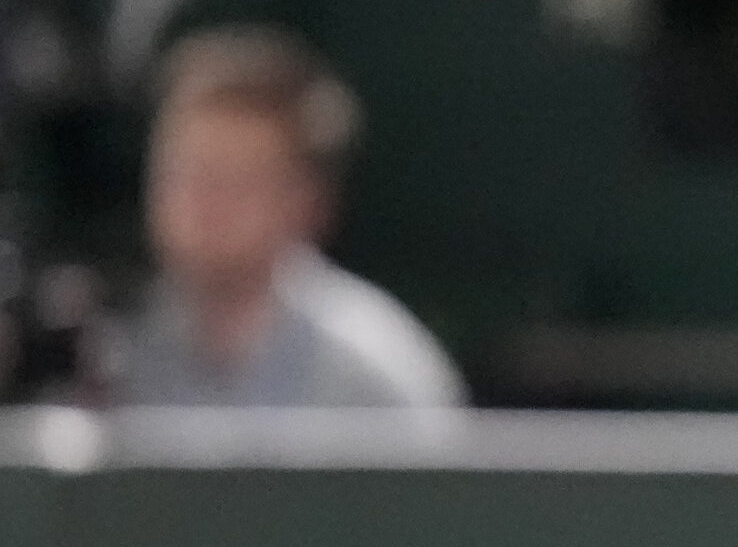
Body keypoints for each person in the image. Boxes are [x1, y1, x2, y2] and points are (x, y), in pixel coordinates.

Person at [98, 26, 464, 408]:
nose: (202, 202)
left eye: (236, 179)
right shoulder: (108, 353)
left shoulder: (376, 375)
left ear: (308, 202)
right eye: (183, 172)